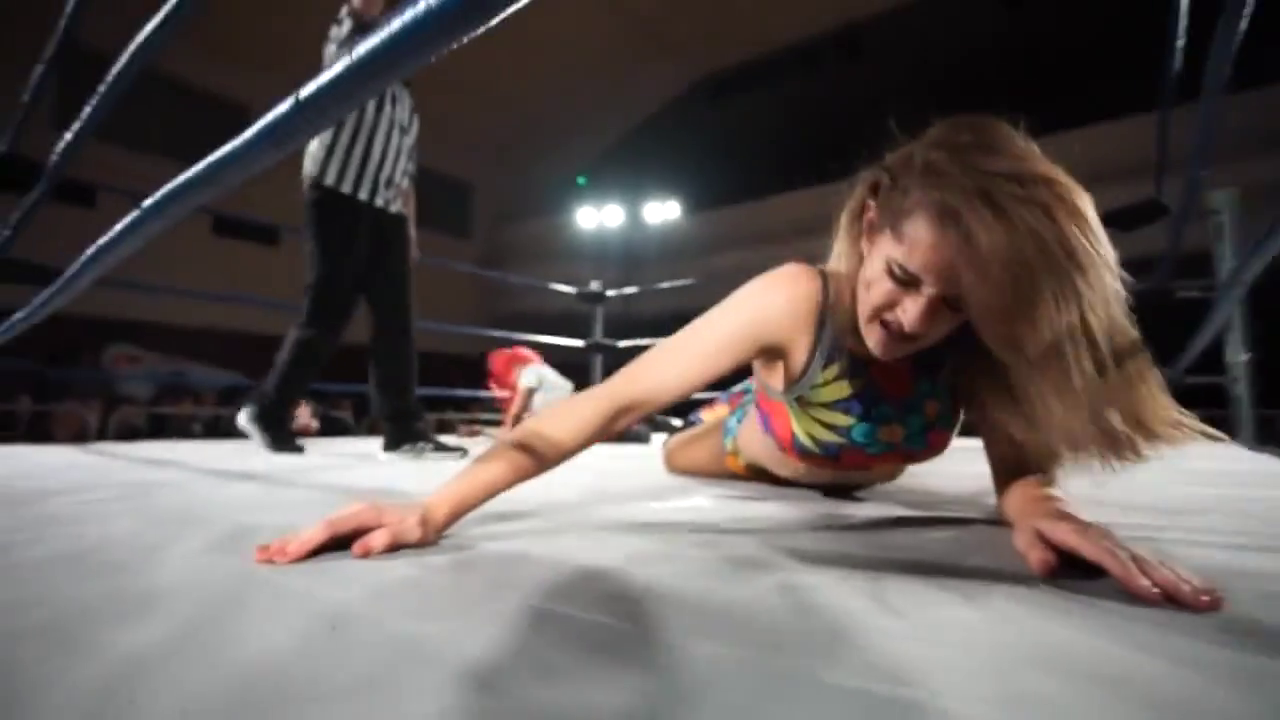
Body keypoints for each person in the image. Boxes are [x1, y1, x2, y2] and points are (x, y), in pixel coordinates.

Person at [253, 116, 1225, 613]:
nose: (913, 319)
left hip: (845, 467)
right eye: (900, 277)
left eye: (953, 303)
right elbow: (614, 404)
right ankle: (559, 386)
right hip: (748, 443)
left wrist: (1036, 503)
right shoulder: (796, 300)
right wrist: (430, 512)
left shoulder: (969, 343)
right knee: (664, 436)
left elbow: (1017, 468)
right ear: (871, 224)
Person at [235, 0, 466, 460]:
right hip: (340, 191)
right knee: (329, 309)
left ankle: (403, 430)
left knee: (396, 323)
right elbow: (364, 7)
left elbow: (406, 174)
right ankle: (268, 409)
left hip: (388, 212)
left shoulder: (406, 102)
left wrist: (410, 231)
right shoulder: (353, 42)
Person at [486, 345, 576, 433]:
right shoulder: (543, 371)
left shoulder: (530, 371)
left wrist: (508, 430)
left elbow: (518, 409)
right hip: (566, 418)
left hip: (563, 421)